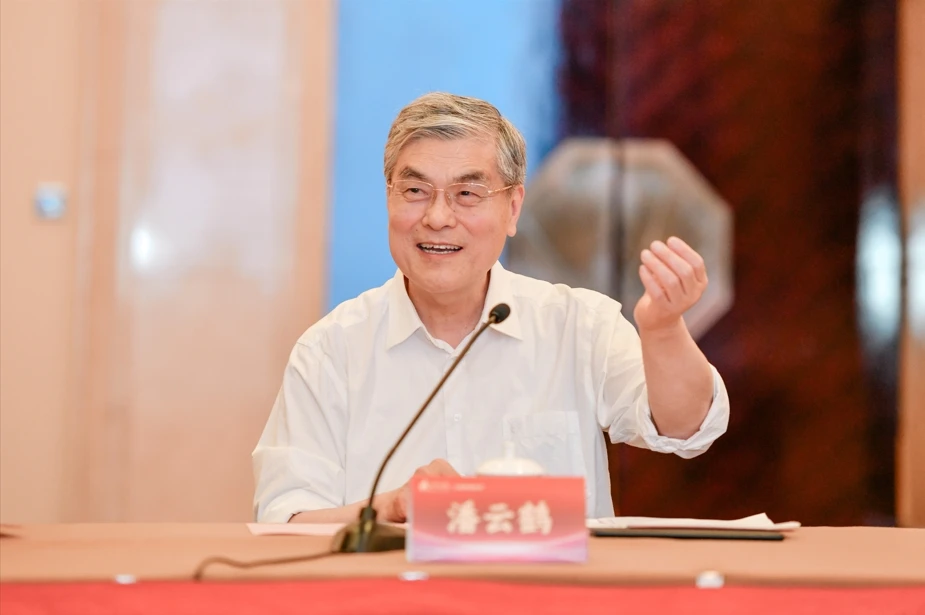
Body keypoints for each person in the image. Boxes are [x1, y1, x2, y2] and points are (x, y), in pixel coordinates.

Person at [252, 92, 729, 523]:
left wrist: (663, 330)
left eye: (467, 194)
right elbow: (284, 520)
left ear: (514, 208)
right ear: (389, 197)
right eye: (415, 191)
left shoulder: (579, 325)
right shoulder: (331, 350)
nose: (438, 217)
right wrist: (390, 507)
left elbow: (686, 429)